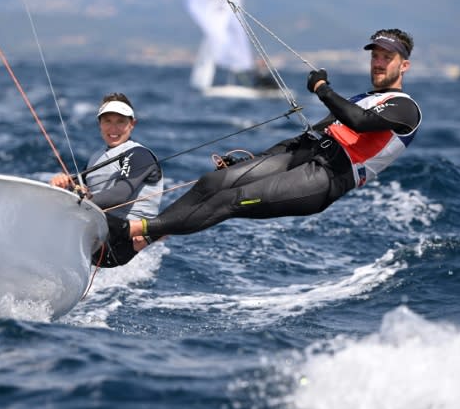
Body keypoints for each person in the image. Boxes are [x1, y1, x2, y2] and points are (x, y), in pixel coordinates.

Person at [112, 28, 422, 250]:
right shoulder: (363, 97)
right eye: (376, 56)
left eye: (387, 57)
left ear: (403, 65)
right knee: (213, 183)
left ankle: (130, 230)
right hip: (304, 154)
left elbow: (359, 122)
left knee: (229, 200)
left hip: (326, 177)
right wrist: (254, 160)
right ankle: (146, 239)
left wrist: (322, 89)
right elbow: (309, 136)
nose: (378, 62)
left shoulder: (406, 108)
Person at [50, 92, 163, 267]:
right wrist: (64, 184)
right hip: (97, 239)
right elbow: (81, 190)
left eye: (120, 121)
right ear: (100, 124)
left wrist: (78, 202)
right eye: (107, 121)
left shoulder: (138, 154)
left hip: (120, 244)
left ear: (132, 124)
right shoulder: (97, 157)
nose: (113, 128)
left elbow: (120, 194)